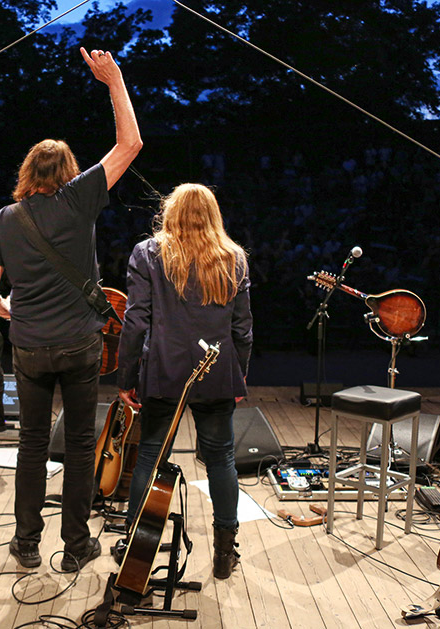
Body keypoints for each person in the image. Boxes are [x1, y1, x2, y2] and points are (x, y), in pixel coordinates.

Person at [0, 47, 141, 572]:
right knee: (77, 444)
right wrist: (113, 81)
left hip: (28, 347)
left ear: (28, 173)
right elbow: (130, 143)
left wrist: (11, 314)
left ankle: (25, 544)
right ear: (69, 172)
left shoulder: (4, 219)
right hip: (79, 343)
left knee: (30, 443)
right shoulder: (80, 199)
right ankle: (75, 547)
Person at [116, 183, 253, 580]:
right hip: (216, 368)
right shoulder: (234, 258)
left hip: (164, 369)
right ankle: (225, 553)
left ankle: (135, 550)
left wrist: (126, 376)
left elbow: (136, 320)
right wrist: (238, 372)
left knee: (150, 457)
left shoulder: (148, 253)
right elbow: (242, 328)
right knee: (221, 459)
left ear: (170, 213)